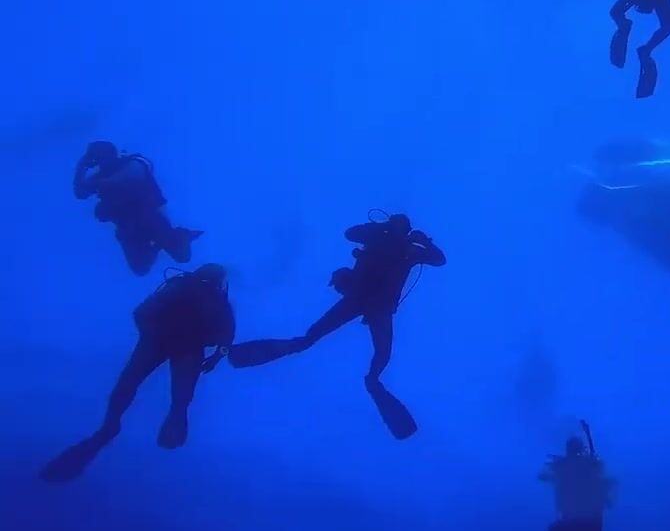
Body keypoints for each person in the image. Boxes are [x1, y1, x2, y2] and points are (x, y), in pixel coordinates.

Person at [227, 213, 446, 439]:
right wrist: (419, 240)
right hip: (371, 304)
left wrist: (411, 237)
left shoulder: (397, 245)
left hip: (364, 302)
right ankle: (373, 383)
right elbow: (351, 234)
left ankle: (242, 356)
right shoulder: (401, 246)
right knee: (374, 354)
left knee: (312, 341)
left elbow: (438, 259)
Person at [39, 264, 235, 483]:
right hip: (183, 347)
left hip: (159, 342)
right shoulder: (214, 298)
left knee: (130, 384)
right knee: (178, 397)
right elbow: (227, 335)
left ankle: (112, 424)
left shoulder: (181, 286)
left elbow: (141, 312)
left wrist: (150, 336)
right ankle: (170, 421)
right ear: (219, 281)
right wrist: (217, 357)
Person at [73, 140, 203, 275]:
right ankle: (159, 243)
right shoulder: (99, 177)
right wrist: (81, 166)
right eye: (96, 157)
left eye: (101, 156)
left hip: (151, 217)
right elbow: (80, 193)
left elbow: (127, 176)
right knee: (140, 269)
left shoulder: (133, 164)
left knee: (182, 257)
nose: (99, 160)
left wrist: (99, 183)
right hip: (126, 225)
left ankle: (180, 235)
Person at [539, 424, 616, 531]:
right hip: (590, 521)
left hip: (571, 520)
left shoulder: (562, 465)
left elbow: (543, 476)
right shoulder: (591, 464)